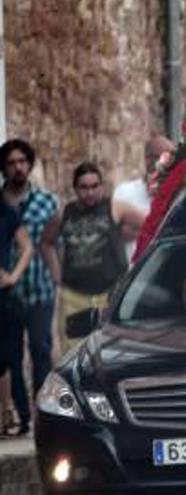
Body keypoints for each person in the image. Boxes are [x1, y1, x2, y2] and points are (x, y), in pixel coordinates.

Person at [41, 162, 145, 354]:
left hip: (111, 295)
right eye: (84, 187)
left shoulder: (115, 207)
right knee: (73, 352)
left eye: (94, 186)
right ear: (75, 188)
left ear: (102, 187)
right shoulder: (64, 213)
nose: (90, 192)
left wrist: (126, 236)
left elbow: (148, 224)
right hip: (75, 296)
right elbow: (46, 242)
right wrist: (56, 275)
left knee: (114, 349)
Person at [1, 138, 59, 437]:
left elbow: (55, 245)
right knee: (11, 356)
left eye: (22, 161)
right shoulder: (0, 204)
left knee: (40, 351)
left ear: (30, 164)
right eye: (11, 163)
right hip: (8, 296)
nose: (17, 167)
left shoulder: (47, 202)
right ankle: (22, 417)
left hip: (39, 291)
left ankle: (43, 415)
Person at [0, 196, 33, 436]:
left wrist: (13, 276)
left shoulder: (6, 212)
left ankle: (21, 416)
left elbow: (28, 247)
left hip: (6, 297)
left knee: (12, 358)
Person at [113, 135, 175, 261]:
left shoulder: (180, 193)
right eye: (161, 156)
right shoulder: (124, 192)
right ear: (147, 159)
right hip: (133, 273)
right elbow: (117, 233)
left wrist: (138, 229)